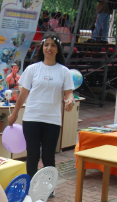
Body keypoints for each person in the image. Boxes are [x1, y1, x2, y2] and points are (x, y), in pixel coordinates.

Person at [8, 34, 75, 178]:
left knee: (48, 156)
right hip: (32, 118)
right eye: (46, 45)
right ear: (42, 48)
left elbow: (69, 93)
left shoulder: (64, 71)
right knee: (32, 155)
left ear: (58, 50)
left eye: (52, 45)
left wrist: (70, 101)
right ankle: (31, 185)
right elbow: (23, 94)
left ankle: (48, 186)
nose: (49, 48)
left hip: (52, 120)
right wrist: (14, 114)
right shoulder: (32, 69)